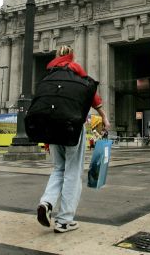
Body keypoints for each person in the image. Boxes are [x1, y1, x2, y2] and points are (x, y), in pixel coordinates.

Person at [36, 45, 110, 234]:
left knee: (58, 169)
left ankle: (46, 202)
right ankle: (64, 220)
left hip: (51, 128)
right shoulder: (76, 70)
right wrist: (103, 115)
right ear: (71, 56)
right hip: (71, 127)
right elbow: (91, 92)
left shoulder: (49, 75)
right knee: (72, 172)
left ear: (55, 57)